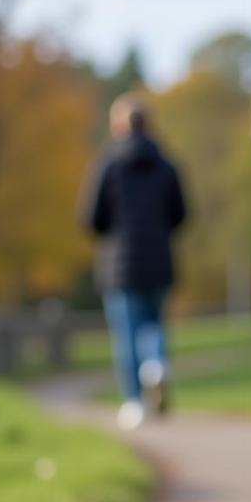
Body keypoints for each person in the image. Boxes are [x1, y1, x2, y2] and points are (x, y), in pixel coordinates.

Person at [81, 94, 186, 429]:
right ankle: (156, 364)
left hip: (119, 266)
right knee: (154, 325)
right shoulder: (167, 166)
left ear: (117, 126)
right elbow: (181, 213)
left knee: (127, 333)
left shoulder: (108, 166)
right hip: (159, 260)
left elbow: (91, 216)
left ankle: (134, 402)